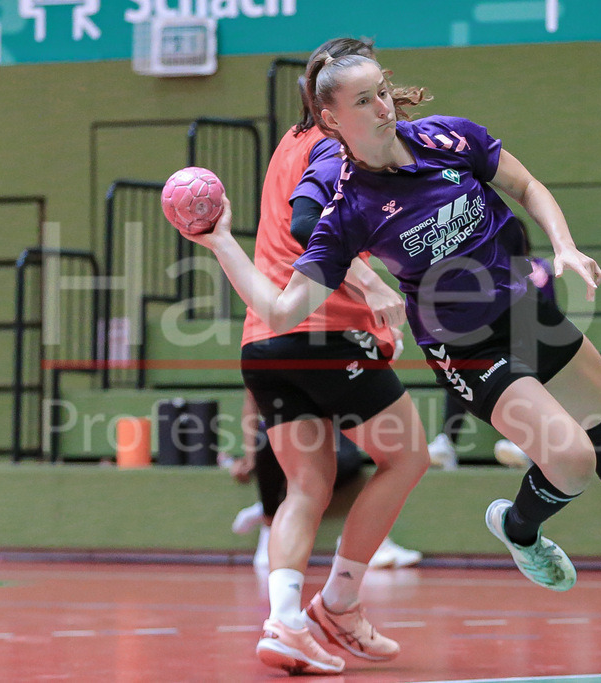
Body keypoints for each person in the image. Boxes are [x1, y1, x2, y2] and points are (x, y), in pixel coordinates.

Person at [185, 51, 601, 600]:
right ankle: (519, 529)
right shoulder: (348, 205)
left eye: (382, 92)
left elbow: (527, 186)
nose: (382, 107)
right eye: (363, 101)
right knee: (572, 461)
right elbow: (281, 310)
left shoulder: (446, 137)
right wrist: (222, 242)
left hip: (525, 309)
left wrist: (564, 246)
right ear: (331, 119)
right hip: (466, 346)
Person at [220, 38, 431, 676]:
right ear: (333, 102)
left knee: (306, 486)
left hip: (265, 343)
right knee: (407, 457)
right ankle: (339, 603)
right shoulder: (330, 149)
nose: (378, 101)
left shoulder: (292, 141)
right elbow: (308, 229)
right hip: (324, 333)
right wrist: (372, 286)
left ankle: (284, 622)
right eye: (364, 93)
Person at [230, 388, 423, 570]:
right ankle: (269, 521)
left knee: (348, 460)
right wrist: (250, 457)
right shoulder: (264, 369)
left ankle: (288, 505)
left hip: (327, 422)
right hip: (288, 424)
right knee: (265, 441)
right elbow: (251, 402)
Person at [427, 220, 553, 470]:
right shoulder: (481, 269)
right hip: (493, 341)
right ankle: (446, 442)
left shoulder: (537, 267)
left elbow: (546, 309)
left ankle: (524, 444)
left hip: (530, 338)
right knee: (462, 365)